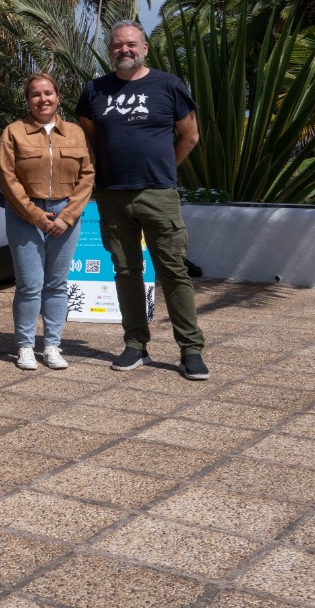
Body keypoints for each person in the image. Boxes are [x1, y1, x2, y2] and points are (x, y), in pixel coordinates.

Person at [75, 19, 208, 380]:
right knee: (125, 271)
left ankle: (190, 349)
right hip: (112, 195)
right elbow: (91, 140)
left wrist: (163, 170)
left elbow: (190, 136)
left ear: (145, 47)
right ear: (110, 50)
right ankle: (136, 344)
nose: (125, 50)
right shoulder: (94, 90)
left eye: (132, 44)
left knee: (173, 270)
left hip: (158, 194)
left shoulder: (168, 85)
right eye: (118, 45)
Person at [0, 73, 94, 371]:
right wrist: (36, 216)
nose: (43, 99)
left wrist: (67, 216)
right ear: (28, 100)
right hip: (25, 214)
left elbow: (87, 175)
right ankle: (25, 346)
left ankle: (52, 345)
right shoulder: (13, 132)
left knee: (56, 284)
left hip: (66, 214)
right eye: (36, 94)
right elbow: (7, 178)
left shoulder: (76, 133)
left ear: (58, 97)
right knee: (29, 284)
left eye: (48, 93)